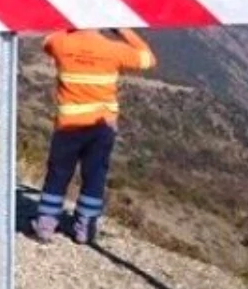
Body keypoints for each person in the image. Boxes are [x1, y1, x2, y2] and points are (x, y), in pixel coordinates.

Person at [30, 27, 156, 245]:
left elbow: (46, 40)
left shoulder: (60, 43)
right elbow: (148, 59)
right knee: (95, 175)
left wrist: (68, 26)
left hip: (68, 124)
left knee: (58, 173)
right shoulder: (113, 49)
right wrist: (123, 30)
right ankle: (84, 228)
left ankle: (46, 225)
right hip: (102, 126)